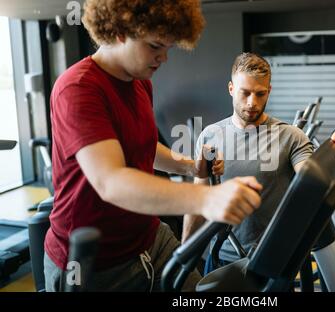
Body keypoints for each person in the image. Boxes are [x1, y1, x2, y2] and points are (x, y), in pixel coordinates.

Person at [44, 0, 263, 292]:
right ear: (121, 29)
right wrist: (206, 198)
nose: (164, 58)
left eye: (168, 49)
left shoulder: (139, 83)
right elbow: (110, 181)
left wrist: (189, 164)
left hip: (150, 238)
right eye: (155, 46)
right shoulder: (78, 88)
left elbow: (143, 146)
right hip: (94, 263)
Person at [182, 52, 335, 274]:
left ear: (269, 91)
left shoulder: (291, 137)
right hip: (221, 258)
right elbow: (199, 197)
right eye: (245, 93)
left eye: (260, 94)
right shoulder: (210, 135)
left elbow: (314, 190)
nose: (252, 102)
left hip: (272, 261)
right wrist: (183, 254)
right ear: (231, 89)